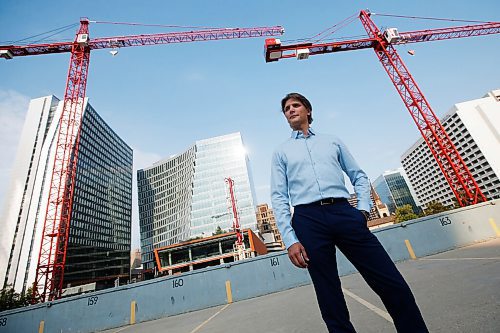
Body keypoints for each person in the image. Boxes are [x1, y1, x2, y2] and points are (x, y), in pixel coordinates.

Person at [270, 93, 428, 333]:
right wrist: (290, 239)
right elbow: (279, 196)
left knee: (390, 281)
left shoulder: (332, 141)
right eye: (286, 109)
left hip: (344, 212)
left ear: (308, 111)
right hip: (307, 219)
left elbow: (359, 176)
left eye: (296, 105)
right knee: (328, 295)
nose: (290, 110)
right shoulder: (281, 152)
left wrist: (362, 211)